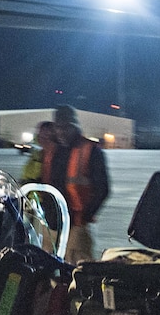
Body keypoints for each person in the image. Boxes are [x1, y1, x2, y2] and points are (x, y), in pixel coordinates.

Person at [41, 106, 109, 262]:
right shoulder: (51, 150)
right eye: (59, 127)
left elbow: (103, 189)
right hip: (51, 224)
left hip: (76, 225)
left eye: (67, 127)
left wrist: (84, 217)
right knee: (47, 272)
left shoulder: (91, 151)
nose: (62, 132)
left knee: (78, 271)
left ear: (75, 126)